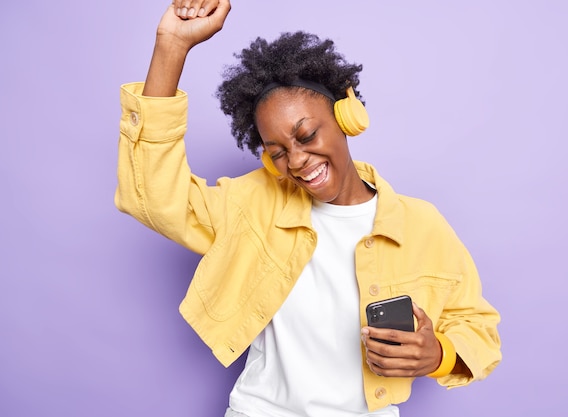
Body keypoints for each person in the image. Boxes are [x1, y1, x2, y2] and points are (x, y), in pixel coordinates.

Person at [115, 1, 502, 416]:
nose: (296, 161)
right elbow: (153, 197)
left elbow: (479, 330)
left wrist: (440, 355)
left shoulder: (421, 224)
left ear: (346, 116)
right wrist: (171, 46)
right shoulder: (254, 204)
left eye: (307, 135)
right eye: (277, 151)